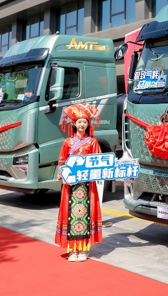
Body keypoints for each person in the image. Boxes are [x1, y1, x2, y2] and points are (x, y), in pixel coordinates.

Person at [55, 103, 103, 262]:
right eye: (79, 122)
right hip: (71, 186)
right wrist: (63, 176)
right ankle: (71, 250)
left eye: (85, 122)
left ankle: (83, 250)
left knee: (85, 216)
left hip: (87, 186)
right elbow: (62, 162)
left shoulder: (93, 142)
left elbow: (98, 162)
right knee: (70, 215)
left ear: (88, 124)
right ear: (73, 124)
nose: (82, 125)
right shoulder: (67, 142)